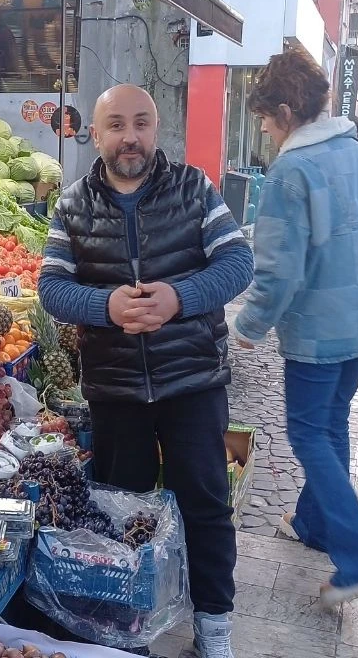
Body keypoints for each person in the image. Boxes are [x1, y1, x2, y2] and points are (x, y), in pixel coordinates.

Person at [39, 84, 254, 658]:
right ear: (97, 134)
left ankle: (213, 624)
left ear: (156, 130)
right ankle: (127, 627)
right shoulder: (73, 205)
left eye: (140, 123)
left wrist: (179, 298)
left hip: (193, 382)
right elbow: (52, 288)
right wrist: (103, 307)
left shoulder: (194, 189)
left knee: (206, 503)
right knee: (121, 512)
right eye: (116, 125)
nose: (129, 137)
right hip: (115, 391)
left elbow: (238, 262)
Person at [232, 48, 358, 607]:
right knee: (332, 424)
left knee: (308, 432)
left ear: (286, 112)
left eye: (264, 117)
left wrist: (250, 323)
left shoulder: (291, 170)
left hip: (318, 330)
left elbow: (279, 268)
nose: (262, 128)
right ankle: (313, 523)